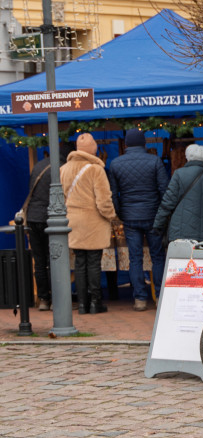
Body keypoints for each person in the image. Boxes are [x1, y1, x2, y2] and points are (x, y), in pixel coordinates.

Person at [108, 128, 169, 311]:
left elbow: (113, 194)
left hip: (130, 217)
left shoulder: (116, 164)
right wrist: (161, 213)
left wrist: (121, 213)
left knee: (135, 258)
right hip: (152, 216)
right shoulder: (155, 161)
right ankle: (159, 296)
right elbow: (164, 190)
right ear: (144, 143)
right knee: (157, 257)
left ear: (126, 144)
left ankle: (140, 299)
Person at [61, 134, 118, 314]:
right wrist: (112, 217)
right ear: (92, 149)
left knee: (79, 262)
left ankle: (83, 304)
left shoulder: (64, 169)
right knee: (93, 262)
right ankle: (95, 302)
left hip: (73, 221)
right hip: (93, 222)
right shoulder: (96, 169)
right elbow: (104, 201)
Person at [152, 144, 203, 244]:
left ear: (187, 157)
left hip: (180, 231)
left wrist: (158, 224)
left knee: (182, 259)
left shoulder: (179, 174)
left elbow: (167, 202)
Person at [24, 150, 55, 310]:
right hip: (49, 217)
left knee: (39, 261)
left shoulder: (37, 166)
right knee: (53, 259)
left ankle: (43, 299)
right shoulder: (60, 167)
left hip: (33, 217)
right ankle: (57, 298)